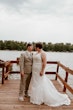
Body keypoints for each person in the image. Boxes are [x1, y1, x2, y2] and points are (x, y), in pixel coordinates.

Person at [28, 42, 71, 107]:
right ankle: (35, 97)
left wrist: (42, 71)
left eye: (35, 47)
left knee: (40, 83)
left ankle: (39, 98)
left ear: (38, 47)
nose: (35, 48)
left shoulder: (43, 53)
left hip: (39, 70)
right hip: (34, 71)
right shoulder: (36, 53)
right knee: (35, 83)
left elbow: (44, 63)